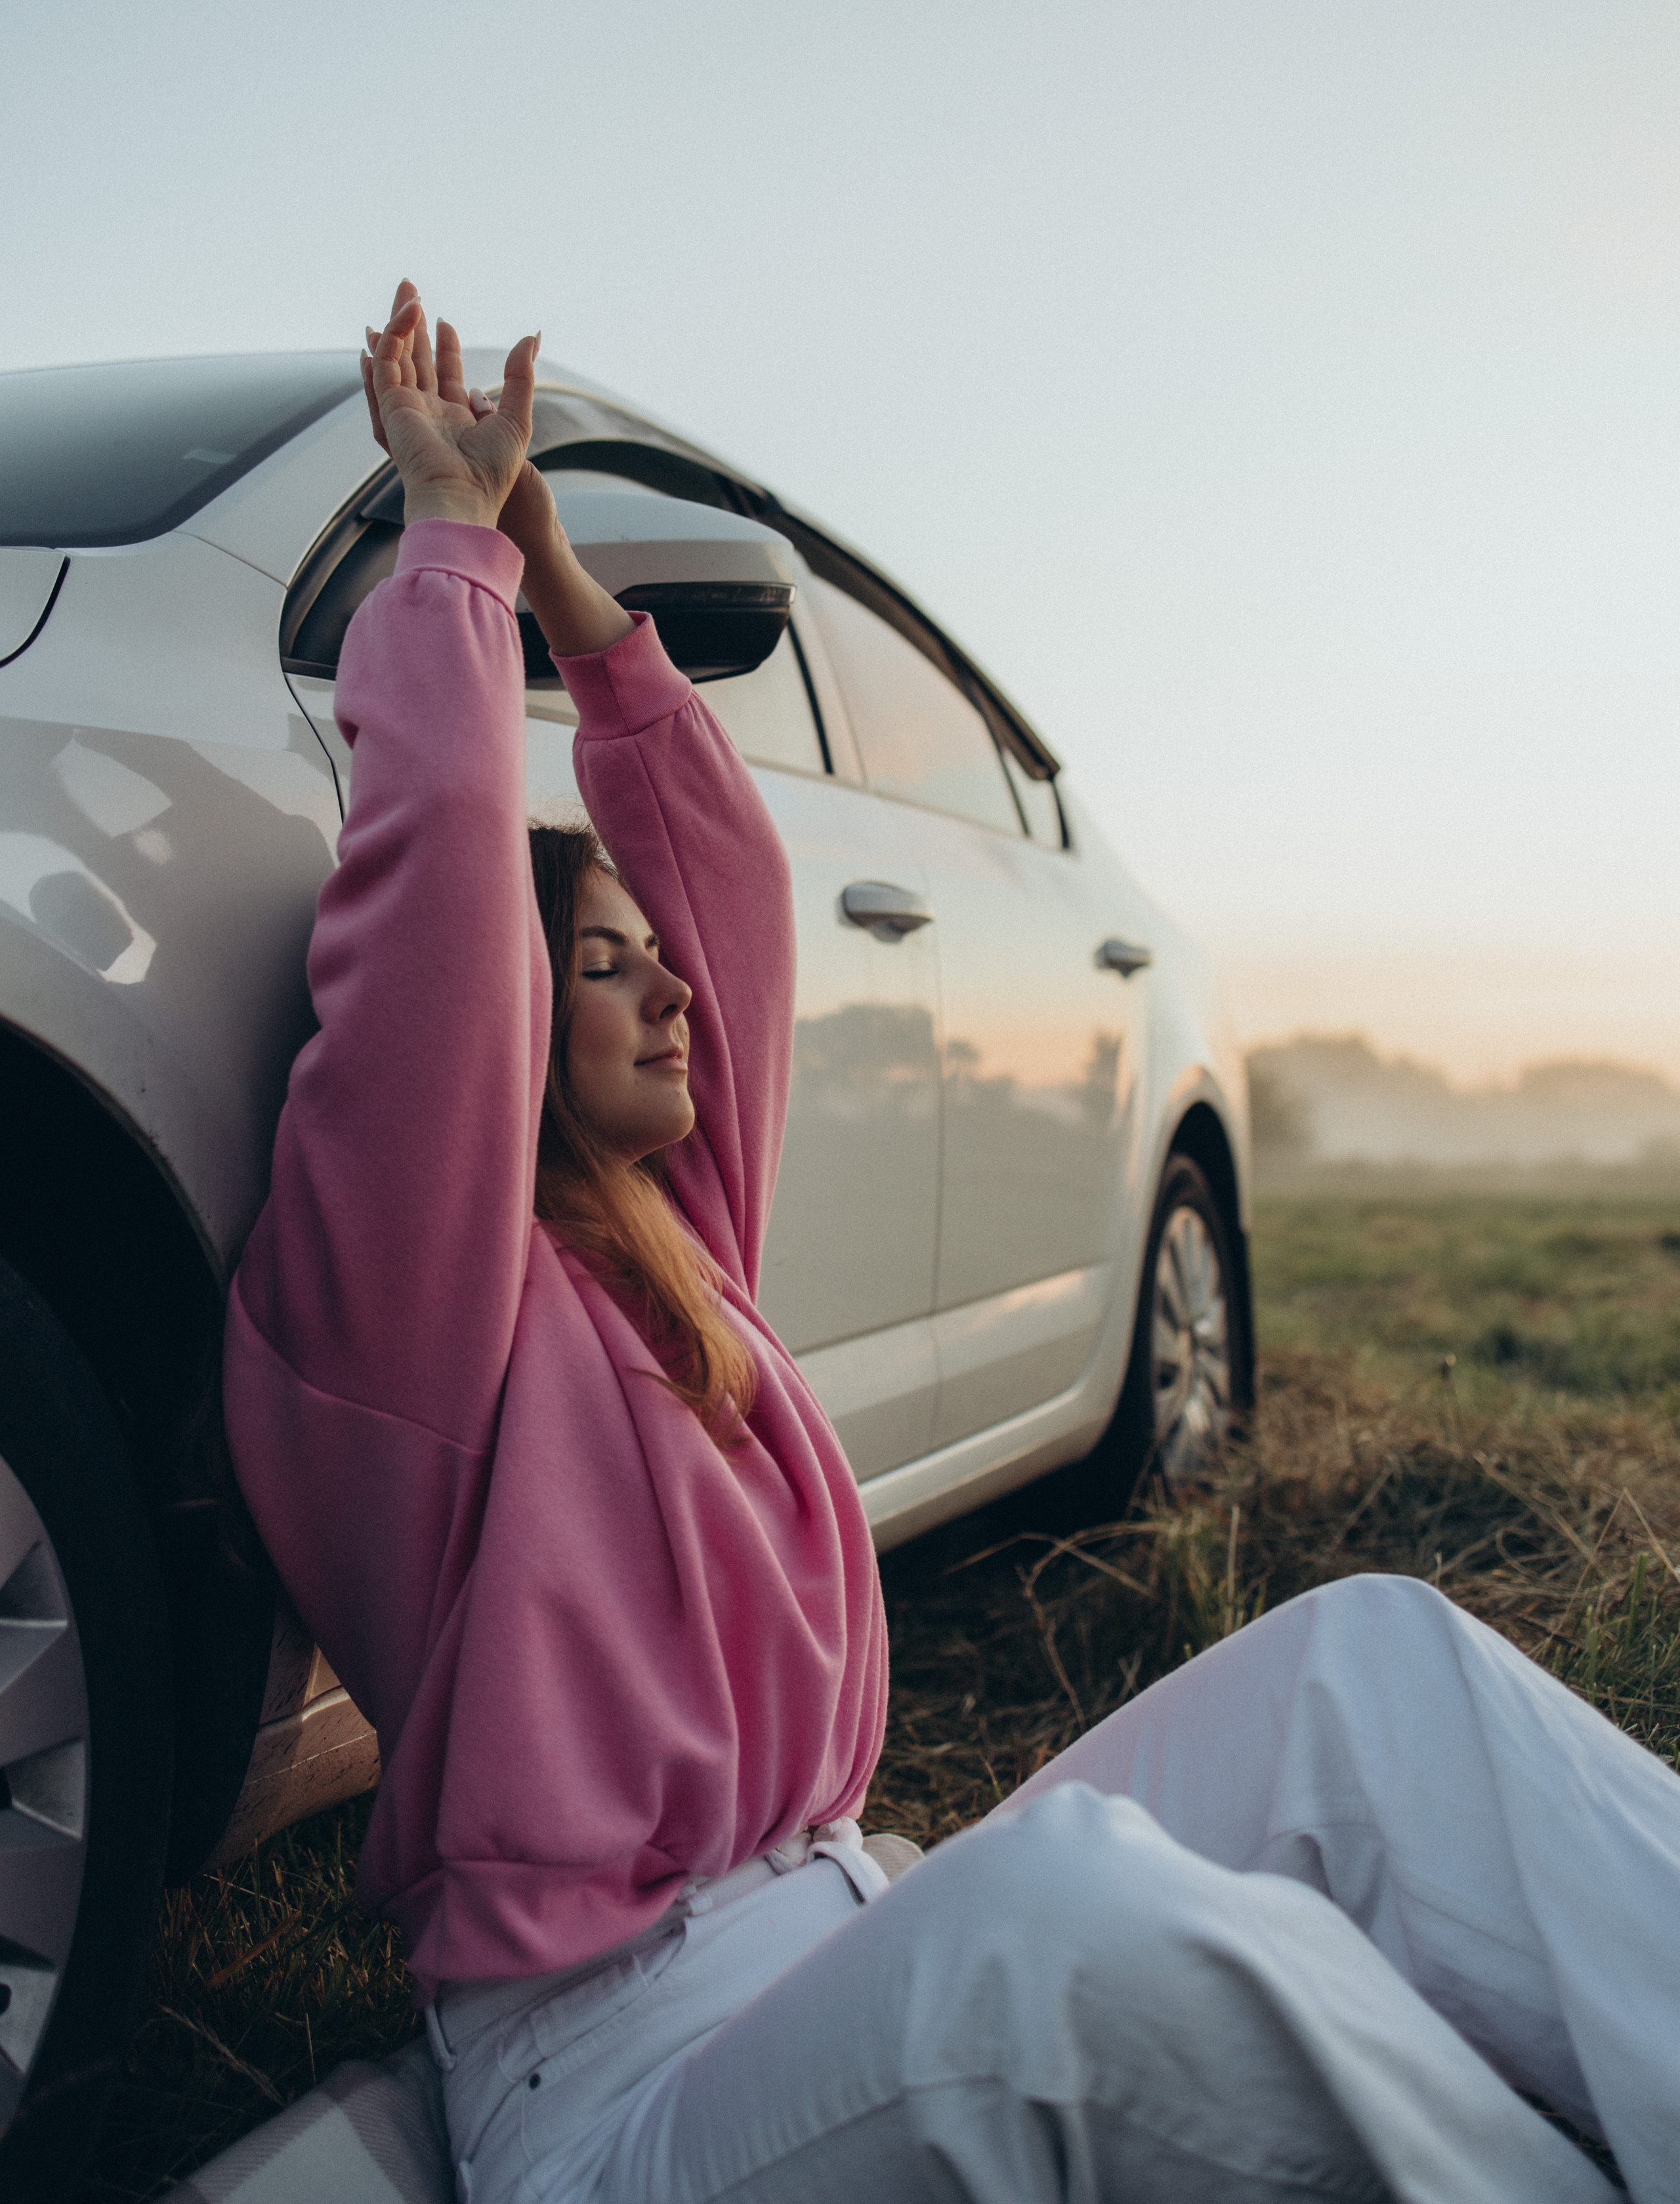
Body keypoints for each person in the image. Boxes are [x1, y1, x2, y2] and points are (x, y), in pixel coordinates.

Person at [225, 283, 1680, 2204]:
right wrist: (452, 550)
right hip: (616, 2084)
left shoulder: (680, 1256)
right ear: (513, 1023)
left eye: (654, 967)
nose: (672, 996)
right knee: (1067, 1934)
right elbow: (431, 939)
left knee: (1373, 1671)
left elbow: (727, 885)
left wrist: (575, 587)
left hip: (838, 1928)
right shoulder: (412, 1335)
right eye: (600, 967)